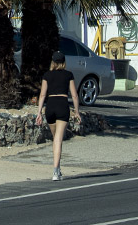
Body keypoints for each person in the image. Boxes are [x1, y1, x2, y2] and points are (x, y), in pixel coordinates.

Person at [35, 50, 81, 181]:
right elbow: (75, 95)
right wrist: (77, 111)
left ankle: (58, 169)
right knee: (58, 140)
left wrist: (39, 113)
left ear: (53, 62)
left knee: (55, 139)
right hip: (62, 105)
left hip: (50, 106)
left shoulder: (47, 75)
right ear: (63, 62)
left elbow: (42, 95)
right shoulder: (68, 75)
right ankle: (55, 171)